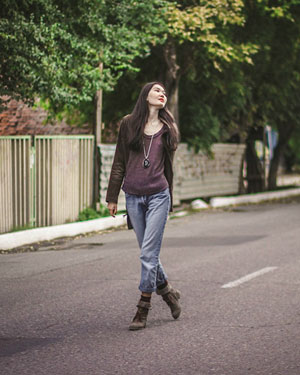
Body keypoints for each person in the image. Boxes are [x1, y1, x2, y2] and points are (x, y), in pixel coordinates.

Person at [106, 81, 181, 330]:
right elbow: (119, 161)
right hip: (133, 196)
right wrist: (112, 196)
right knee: (148, 254)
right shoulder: (129, 124)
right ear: (146, 95)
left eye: (164, 92)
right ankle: (168, 292)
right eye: (157, 90)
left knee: (148, 254)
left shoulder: (168, 128)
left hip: (159, 195)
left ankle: (143, 307)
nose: (162, 93)